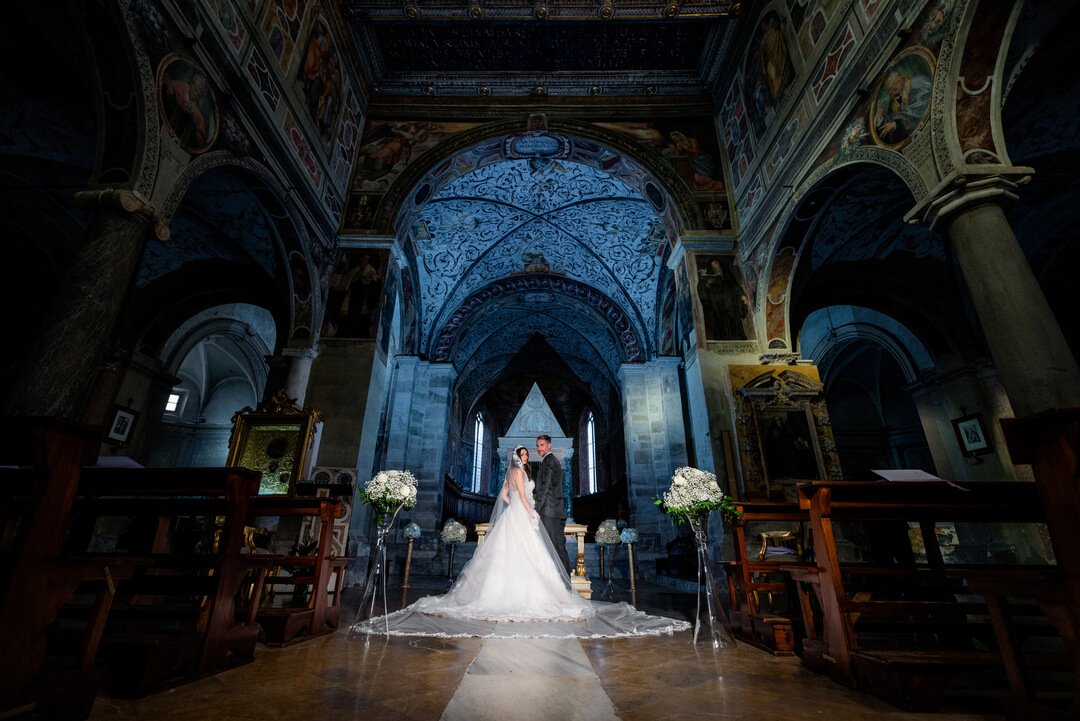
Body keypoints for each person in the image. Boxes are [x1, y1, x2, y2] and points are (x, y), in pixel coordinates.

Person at [350, 447, 691, 638]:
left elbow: (503, 495)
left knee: (518, 559)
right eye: (523, 455)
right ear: (517, 457)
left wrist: (517, 506)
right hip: (522, 518)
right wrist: (529, 513)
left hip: (515, 517)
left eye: (528, 455)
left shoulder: (518, 474)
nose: (526, 458)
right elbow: (518, 498)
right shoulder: (519, 473)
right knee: (526, 558)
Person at [534, 435, 571, 572]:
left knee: (548, 549)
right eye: (537, 445)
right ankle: (566, 585)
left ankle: (552, 586)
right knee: (560, 548)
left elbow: (545, 487)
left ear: (549, 445)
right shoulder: (554, 460)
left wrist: (536, 510)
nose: (539, 448)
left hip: (549, 511)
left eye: (542, 445)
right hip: (558, 511)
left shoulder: (548, 461)